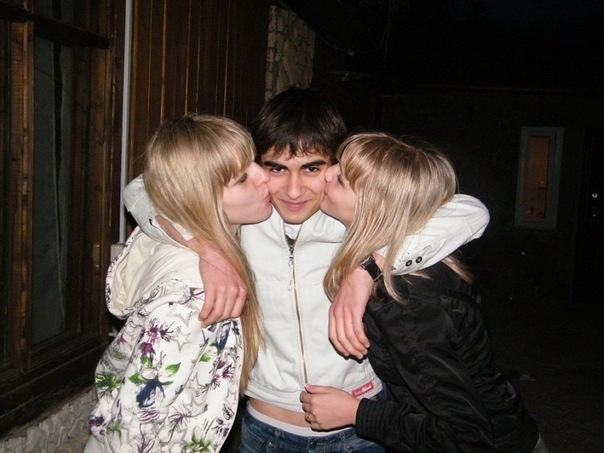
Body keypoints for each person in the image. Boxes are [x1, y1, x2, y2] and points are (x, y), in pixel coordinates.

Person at [124, 87, 490, 452]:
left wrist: (367, 267)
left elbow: (469, 212)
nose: (294, 190)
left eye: (312, 168)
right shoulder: (243, 215)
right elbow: (140, 189)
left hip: (360, 430)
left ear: (336, 167)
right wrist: (206, 248)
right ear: (256, 166)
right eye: (277, 168)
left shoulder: (353, 218)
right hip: (264, 430)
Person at [300, 132, 547, 452]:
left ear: (374, 209)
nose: (327, 173)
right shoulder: (415, 257)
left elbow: (466, 438)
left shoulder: (410, 305)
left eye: (341, 179)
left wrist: (357, 413)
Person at [85, 114, 272, 452]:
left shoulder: (180, 229)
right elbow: (131, 429)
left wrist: (206, 246)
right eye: (243, 178)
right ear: (200, 197)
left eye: (254, 162)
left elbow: (142, 186)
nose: (264, 176)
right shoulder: (190, 300)